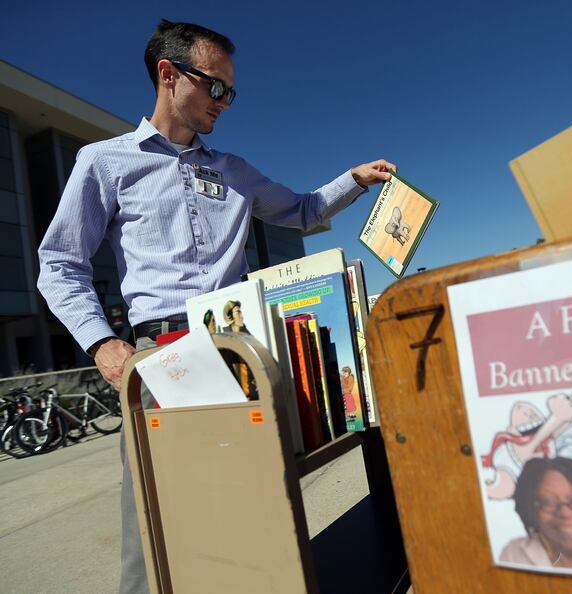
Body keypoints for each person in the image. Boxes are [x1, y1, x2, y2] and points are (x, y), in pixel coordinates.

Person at [37, 19, 395, 594]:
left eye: (232, 91)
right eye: (217, 88)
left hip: (241, 349)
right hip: (161, 355)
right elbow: (58, 263)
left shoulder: (234, 170)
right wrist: (104, 343)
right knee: (156, 521)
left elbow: (302, 211)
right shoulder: (104, 164)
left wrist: (354, 179)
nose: (226, 103)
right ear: (169, 74)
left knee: (254, 507)